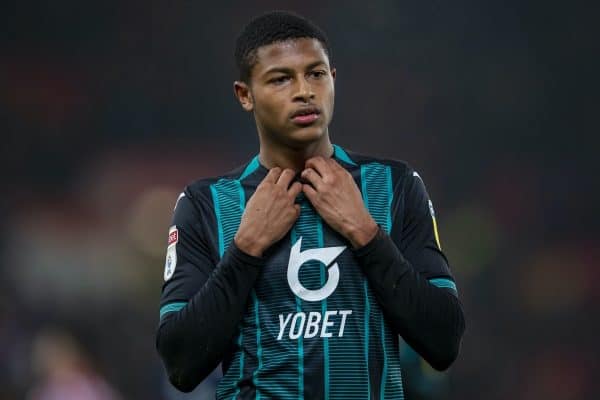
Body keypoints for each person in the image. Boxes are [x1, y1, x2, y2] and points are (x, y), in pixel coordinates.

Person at [156, 10, 465, 399]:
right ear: (245, 95)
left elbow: (444, 341)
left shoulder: (396, 185)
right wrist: (246, 249)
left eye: (315, 74)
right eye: (281, 78)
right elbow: (180, 364)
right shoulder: (205, 204)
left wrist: (367, 235)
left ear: (333, 79)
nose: (304, 91)